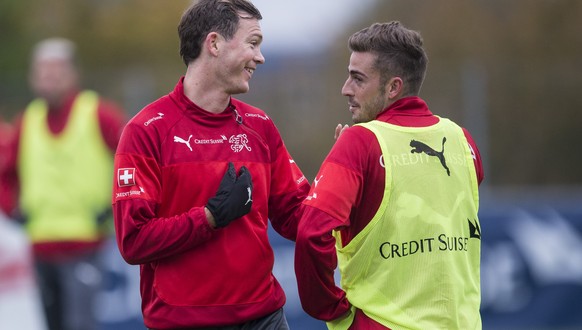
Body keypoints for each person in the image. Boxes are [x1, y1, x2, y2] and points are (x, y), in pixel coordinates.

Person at [112, 0, 310, 329]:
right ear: (214, 43)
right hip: (184, 321)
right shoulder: (146, 131)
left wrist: (345, 183)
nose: (260, 57)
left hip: (265, 317)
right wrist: (209, 218)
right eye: (253, 43)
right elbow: (134, 242)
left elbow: (295, 215)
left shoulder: (260, 127)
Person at [295, 21, 484, 330]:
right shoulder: (462, 139)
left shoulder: (358, 142)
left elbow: (310, 233)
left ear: (393, 87)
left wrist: (331, 308)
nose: (346, 88)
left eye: (357, 78)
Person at [0, 37, 126, 330]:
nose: (48, 78)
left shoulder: (98, 113)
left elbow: (133, 161)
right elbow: (6, 174)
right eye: (42, 71)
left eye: (56, 71)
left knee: (80, 323)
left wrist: (116, 206)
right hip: (41, 247)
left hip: (86, 246)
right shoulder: (27, 121)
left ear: (73, 74)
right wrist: (12, 210)